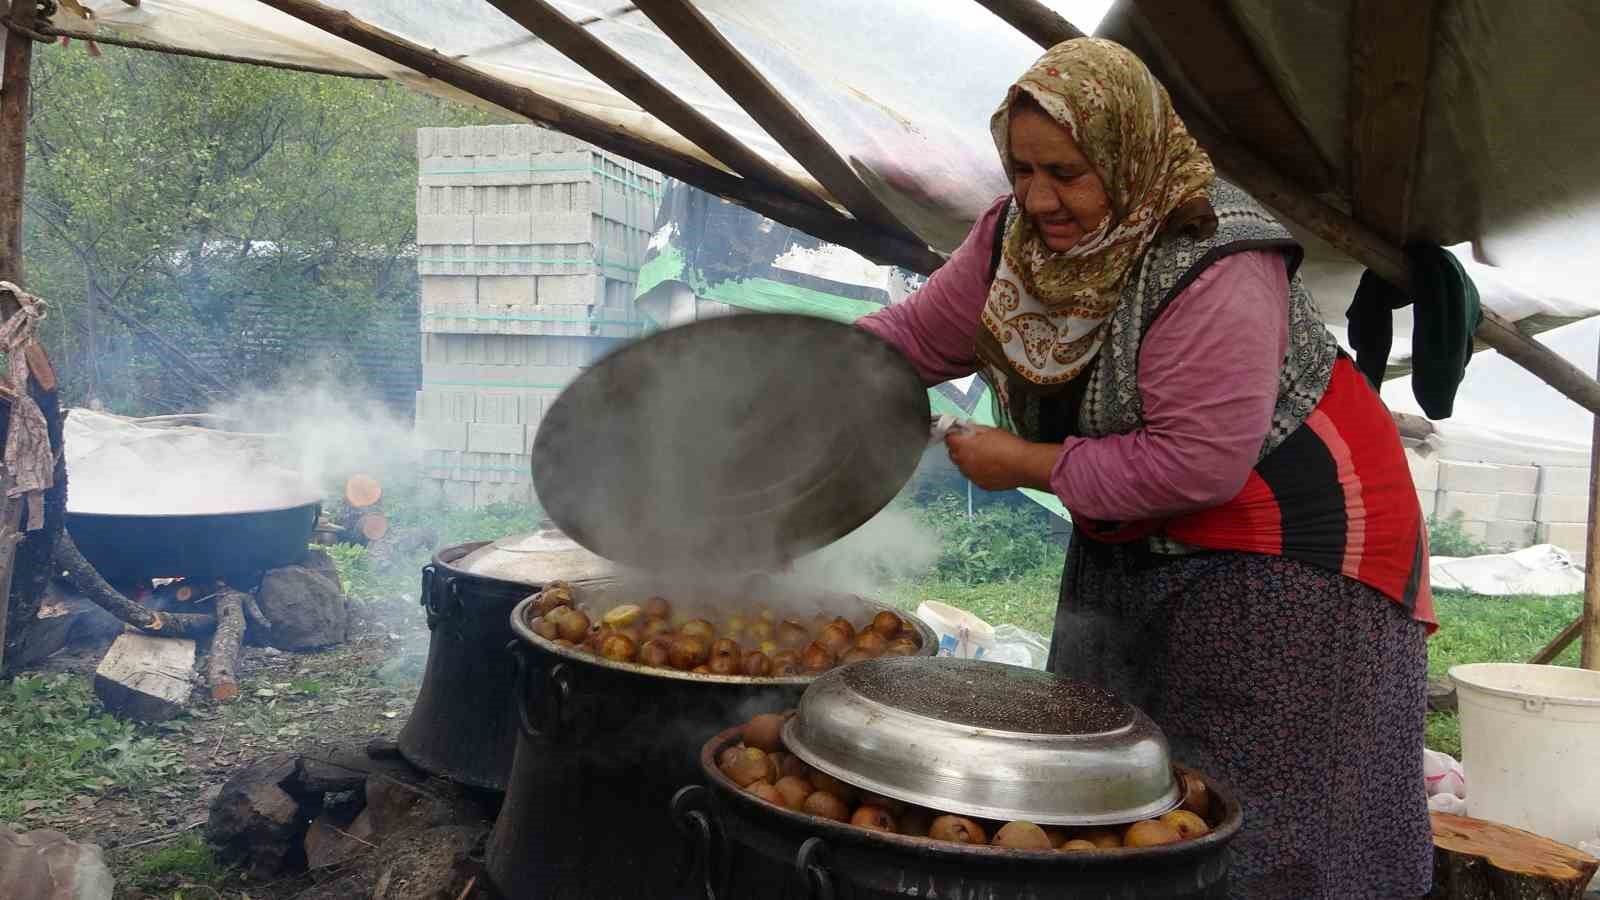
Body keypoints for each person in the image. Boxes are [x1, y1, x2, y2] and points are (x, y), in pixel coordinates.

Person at [859, 38, 1435, 900]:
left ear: (1128, 153)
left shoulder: (1214, 257)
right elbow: (915, 339)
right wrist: (805, 372)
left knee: (1258, 806)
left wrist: (1020, 462)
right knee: (1114, 770)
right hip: (1136, 526)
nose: (1038, 196)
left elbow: (1198, 464)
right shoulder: (1015, 235)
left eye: (1066, 172)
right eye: (1020, 168)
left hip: (1295, 549)